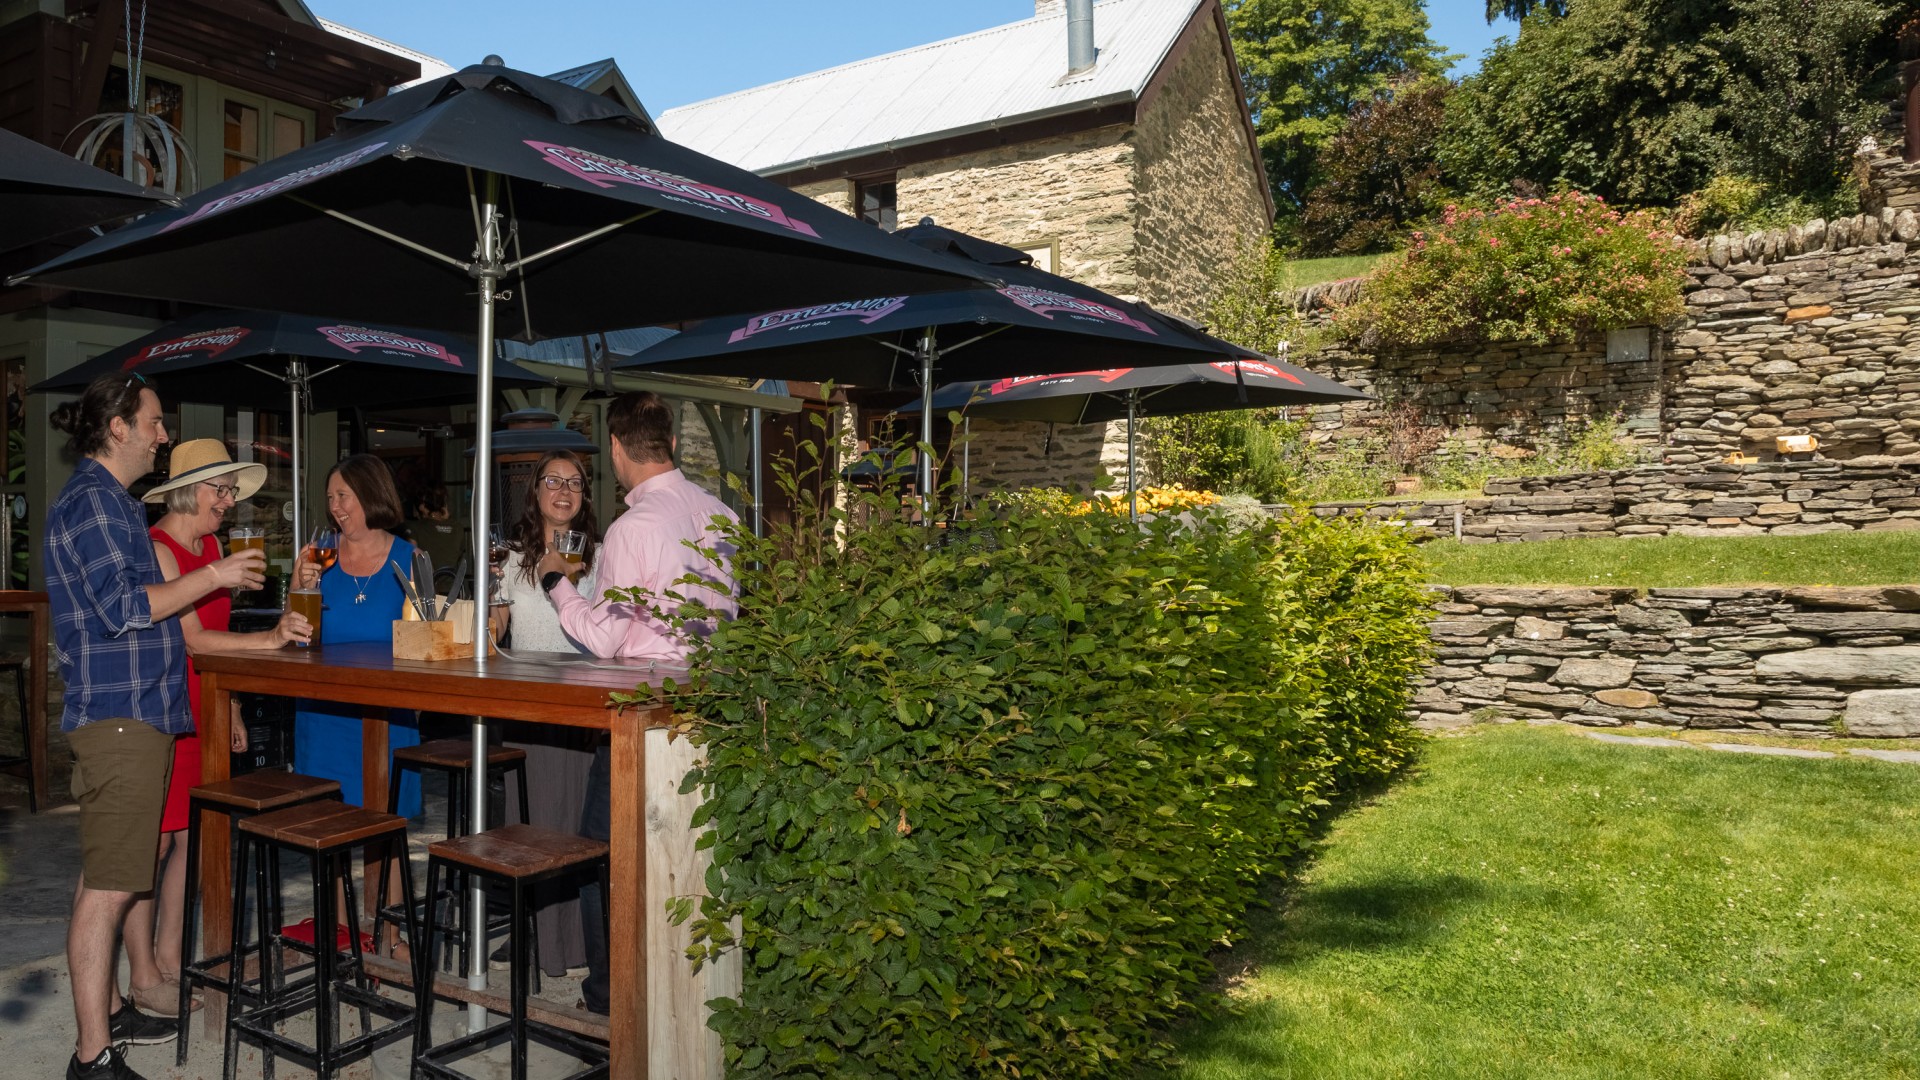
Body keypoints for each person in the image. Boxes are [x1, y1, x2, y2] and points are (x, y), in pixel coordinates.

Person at [45, 374, 265, 1080]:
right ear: (119, 428)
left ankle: (106, 1015)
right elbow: (122, 608)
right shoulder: (95, 505)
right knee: (110, 885)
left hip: (136, 713)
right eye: (154, 422)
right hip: (119, 717)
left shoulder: (108, 504)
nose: (162, 434)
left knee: (109, 878)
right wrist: (216, 577)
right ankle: (92, 1058)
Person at [537, 391, 738, 1015]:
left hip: (642, 717)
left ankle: (610, 997)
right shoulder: (722, 514)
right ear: (672, 444)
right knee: (685, 858)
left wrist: (556, 583)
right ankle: (676, 991)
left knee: (607, 857)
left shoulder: (631, 529)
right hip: (708, 708)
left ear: (617, 449)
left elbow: (602, 635)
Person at [123, 440, 310, 1019]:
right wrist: (272, 637)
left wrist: (226, 710)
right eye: (221, 489)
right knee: (148, 847)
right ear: (189, 491)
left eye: (231, 490)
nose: (229, 501)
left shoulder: (210, 546)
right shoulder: (158, 548)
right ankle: (143, 975)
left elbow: (213, 650)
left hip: (201, 704)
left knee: (192, 839)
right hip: (159, 710)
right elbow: (192, 641)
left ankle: (174, 960)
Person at [291, 454, 422, 952]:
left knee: (386, 824)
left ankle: (389, 930)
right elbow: (294, 635)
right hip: (324, 712)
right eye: (330, 498)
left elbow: (427, 636)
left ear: (372, 495)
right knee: (332, 823)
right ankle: (341, 933)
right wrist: (300, 589)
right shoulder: (318, 556)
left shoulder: (410, 559)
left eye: (343, 495)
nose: (335, 507)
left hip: (389, 710)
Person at [490, 448, 599, 975]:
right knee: (532, 823)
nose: (563, 490)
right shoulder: (512, 557)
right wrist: (487, 613)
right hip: (528, 699)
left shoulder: (601, 555)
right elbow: (497, 628)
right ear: (535, 492)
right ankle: (535, 935)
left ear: (584, 495)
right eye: (553, 481)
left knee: (579, 823)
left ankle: (578, 943)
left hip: (582, 700)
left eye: (574, 483)